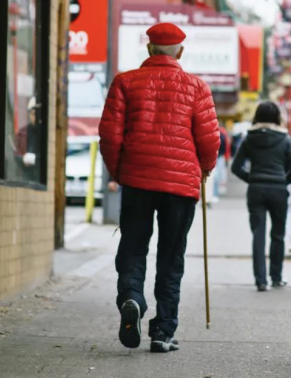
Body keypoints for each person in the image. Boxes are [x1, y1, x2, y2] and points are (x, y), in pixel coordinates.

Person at [99, 22, 220, 353]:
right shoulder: (197, 87)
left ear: (150, 49)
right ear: (180, 51)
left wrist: (119, 170)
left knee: (134, 247)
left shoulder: (125, 82)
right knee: (171, 255)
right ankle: (164, 331)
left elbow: (109, 134)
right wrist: (206, 168)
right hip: (180, 187)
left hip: (137, 180)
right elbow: (209, 138)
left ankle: (132, 298)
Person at [230, 101, 291, 292]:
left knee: (258, 235)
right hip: (278, 190)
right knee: (278, 235)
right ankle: (276, 277)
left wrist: (251, 178)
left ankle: (260, 280)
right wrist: (284, 181)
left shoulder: (249, 138)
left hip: (256, 190)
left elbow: (236, 167)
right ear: (277, 117)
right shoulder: (285, 139)